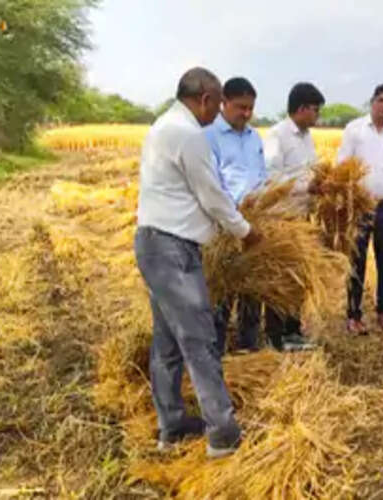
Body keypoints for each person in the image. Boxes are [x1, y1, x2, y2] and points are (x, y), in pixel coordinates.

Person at [135, 67, 261, 458]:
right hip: (172, 250)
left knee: (168, 341)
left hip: (154, 244)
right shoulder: (188, 135)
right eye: (217, 103)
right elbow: (212, 194)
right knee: (200, 338)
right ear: (205, 98)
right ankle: (222, 435)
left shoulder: (163, 126)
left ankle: (172, 426)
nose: (216, 113)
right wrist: (245, 231)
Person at [337, 84, 383, 334]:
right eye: (381, 101)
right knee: (357, 261)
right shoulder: (354, 131)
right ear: (372, 102)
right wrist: (344, 202)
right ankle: (353, 315)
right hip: (360, 205)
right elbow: (342, 167)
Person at [204, 77, 268, 354]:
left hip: (254, 225)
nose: (246, 113)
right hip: (222, 226)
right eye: (241, 107)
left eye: (250, 108)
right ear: (224, 103)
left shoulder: (254, 138)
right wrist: (233, 219)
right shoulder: (208, 136)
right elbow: (212, 186)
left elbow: (262, 177)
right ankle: (216, 351)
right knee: (221, 290)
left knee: (252, 289)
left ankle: (247, 347)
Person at [261, 82, 325, 351]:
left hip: (302, 217)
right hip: (283, 219)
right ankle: (275, 337)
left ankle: (293, 330)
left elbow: (309, 169)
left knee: (298, 278)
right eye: (315, 110)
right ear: (301, 109)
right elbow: (272, 178)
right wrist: (305, 187)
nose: (317, 116)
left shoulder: (306, 137)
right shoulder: (277, 136)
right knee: (281, 278)